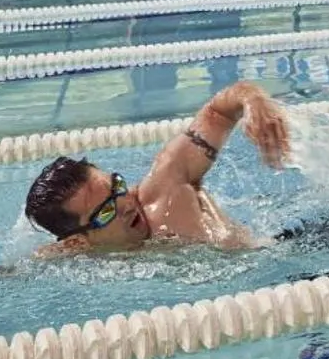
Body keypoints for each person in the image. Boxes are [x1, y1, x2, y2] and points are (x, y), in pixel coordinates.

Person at [23, 80, 291, 255]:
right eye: (106, 210)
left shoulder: (166, 187)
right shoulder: (78, 254)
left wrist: (253, 100)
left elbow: (218, 113)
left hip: (282, 256)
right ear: (78, 243)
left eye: (117, 187)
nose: (126, 204)